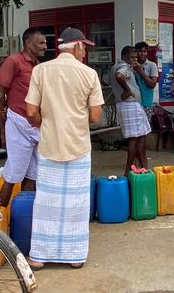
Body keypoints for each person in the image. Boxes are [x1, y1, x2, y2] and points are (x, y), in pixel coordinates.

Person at [25, 27, 103, 269]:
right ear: (78, 46)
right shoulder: (89, 74)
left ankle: (38, 256)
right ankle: (75, 256)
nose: (85, 53)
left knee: (46, 202)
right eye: (85, 48)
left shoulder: (40, 70)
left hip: (49, 146)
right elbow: (96, 116)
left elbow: (30, 111)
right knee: (76, 204)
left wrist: (45, 122)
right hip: (78, 147)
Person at [0, 28, 47, 207]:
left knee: (33, 174)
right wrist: (3, 131)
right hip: (18, 123)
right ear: (28, 43)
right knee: (12, 174)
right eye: (41, 43)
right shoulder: (13, 61)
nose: (45, 46)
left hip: (36, 125)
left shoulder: (38, 66)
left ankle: (23, 216)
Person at [109, 46, 152, 176]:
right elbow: (119, 76)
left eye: (135, 58)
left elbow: (109, 79)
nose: (134, 60)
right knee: (135, 138)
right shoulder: (124, 67)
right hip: (130, 105)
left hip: (126, 105)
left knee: (141, 135)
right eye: (131, 58)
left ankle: (141, 166)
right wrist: (127, 90)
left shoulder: (114, 67)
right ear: (124, 57)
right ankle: (128, 170)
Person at [134, 41, 159, 123]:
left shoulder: (152, 65)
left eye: (144, 51)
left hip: (146, 103)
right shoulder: (132, 65)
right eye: (139, 51)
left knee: (145, 129)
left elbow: (152, 84)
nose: (142, 54)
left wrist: (140, 71)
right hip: (134, 102)